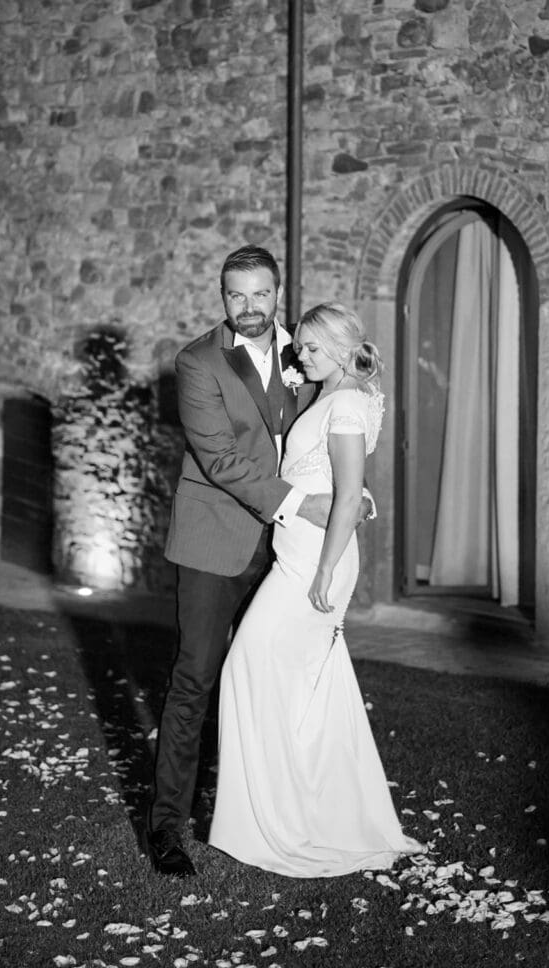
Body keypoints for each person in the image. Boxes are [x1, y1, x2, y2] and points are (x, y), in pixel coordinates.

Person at [150, 246, 347, 877]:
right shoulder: (198, 362)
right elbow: (221, 460)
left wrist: (349, 487)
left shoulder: (305, 354)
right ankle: (168, 829)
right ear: (223, 296)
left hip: (286, 548)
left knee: (278, 678)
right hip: (216, 541)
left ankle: (272, 812)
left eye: (261, 294)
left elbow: (337, 419)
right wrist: (302, 504)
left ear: (278, 292)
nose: (250, 306)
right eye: (237, 295)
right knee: (195, 680)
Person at [208, 302, 423, 877]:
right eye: (298, 347)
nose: (298, 356)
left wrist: (326, 570)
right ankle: (301, 808)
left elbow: (350, 494)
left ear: (338, 347)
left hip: (315, 561)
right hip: (301, 551)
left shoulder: (348, 403)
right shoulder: (332, 394)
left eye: (308, 347)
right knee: (295, 682)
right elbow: (321, 476)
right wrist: (302, 382)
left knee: (247, 665)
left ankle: (278, 818)